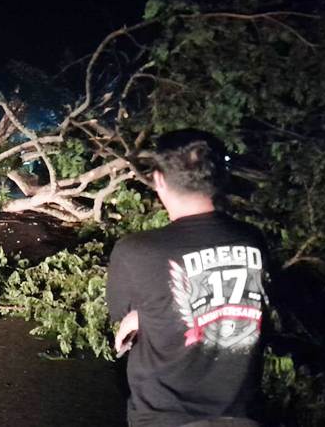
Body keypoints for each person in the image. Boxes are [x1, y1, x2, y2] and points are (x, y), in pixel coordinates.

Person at [107, 129, 269, 427]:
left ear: (158, 179)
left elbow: (124, 318)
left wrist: (140, 315)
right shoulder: (253, 241)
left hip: (164, 417)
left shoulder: (136, 250)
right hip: (242, 415)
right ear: (221, 178)